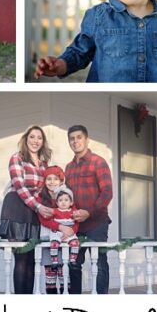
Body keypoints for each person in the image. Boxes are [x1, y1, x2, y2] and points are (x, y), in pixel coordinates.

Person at [0, 126, 52, 294]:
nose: (35, 141)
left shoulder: (44, 165)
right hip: (16, 209)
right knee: (21, 259)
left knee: (32, 259)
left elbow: (46, 190)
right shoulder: (17, 158)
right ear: (26, 139)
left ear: (43, 142)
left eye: (39, 138)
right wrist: (39, 206)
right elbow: (20, 187)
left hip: (34, 213)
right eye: (32, 137)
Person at [64, 125, 113, 294]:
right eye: (72, 138)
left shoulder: (98, 162)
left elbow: (107, 193)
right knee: (74, 262)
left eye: (79, 137)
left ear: (87, 140)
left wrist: (89, 212)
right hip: (76, 226)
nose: (75, 141)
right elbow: (67, 197)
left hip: (96, 223)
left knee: (99, 262)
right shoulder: (68, 168)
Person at [37, 169, 79, 294]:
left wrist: (71, 231)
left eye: (56, 179)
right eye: (49, 179)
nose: (52, 182)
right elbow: (44, 220)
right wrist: (60, 227)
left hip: (67, 239)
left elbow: (75, 219)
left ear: (61, 181)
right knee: (50, 274)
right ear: (44, 181)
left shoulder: (67, 196)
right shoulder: (41, 198)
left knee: (64, 274)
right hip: (49, 238)